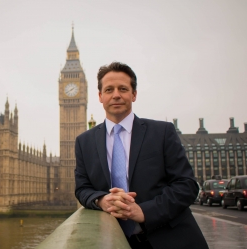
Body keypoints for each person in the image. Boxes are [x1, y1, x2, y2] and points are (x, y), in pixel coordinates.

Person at [74, 62, 208, 249]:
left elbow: (187, 186)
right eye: (109, 89)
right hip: (115, 241)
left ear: (134, 94)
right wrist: (102, 200)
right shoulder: (84, 141)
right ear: (100, 96)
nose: (116, 95)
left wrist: (144, 211)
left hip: (171, 239)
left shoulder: (162, 132)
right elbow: (82, 189)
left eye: (123, 88)